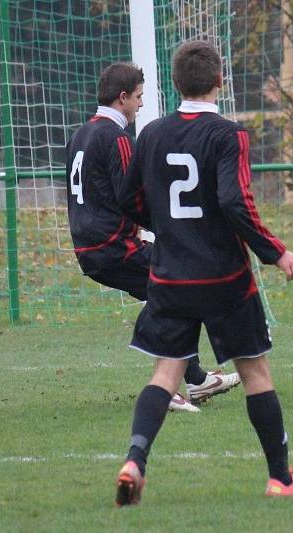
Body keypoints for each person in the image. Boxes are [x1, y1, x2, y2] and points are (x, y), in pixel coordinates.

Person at [112, 41, 293, 506]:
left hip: (169, 276)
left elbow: (126, 199)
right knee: (256, 373)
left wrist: (163, 225)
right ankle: (281, 478)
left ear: (176, 83)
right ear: (220, 81)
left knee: (165, 373)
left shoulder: (152, 134)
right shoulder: (229, 134)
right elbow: (233, 200)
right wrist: (274, 251)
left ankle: (135, 461)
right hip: (223, 279)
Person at [65, 62, 239, 414]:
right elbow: (132, 196)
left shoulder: (81, 134)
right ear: (123, 97)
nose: (142, 105)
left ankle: (194, 379)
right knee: (180, 286)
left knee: (173, 292)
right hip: (113, 245)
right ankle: (168, 386)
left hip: (90, 245)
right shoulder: (116, 138)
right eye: (139, 97)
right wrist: (171, 230)